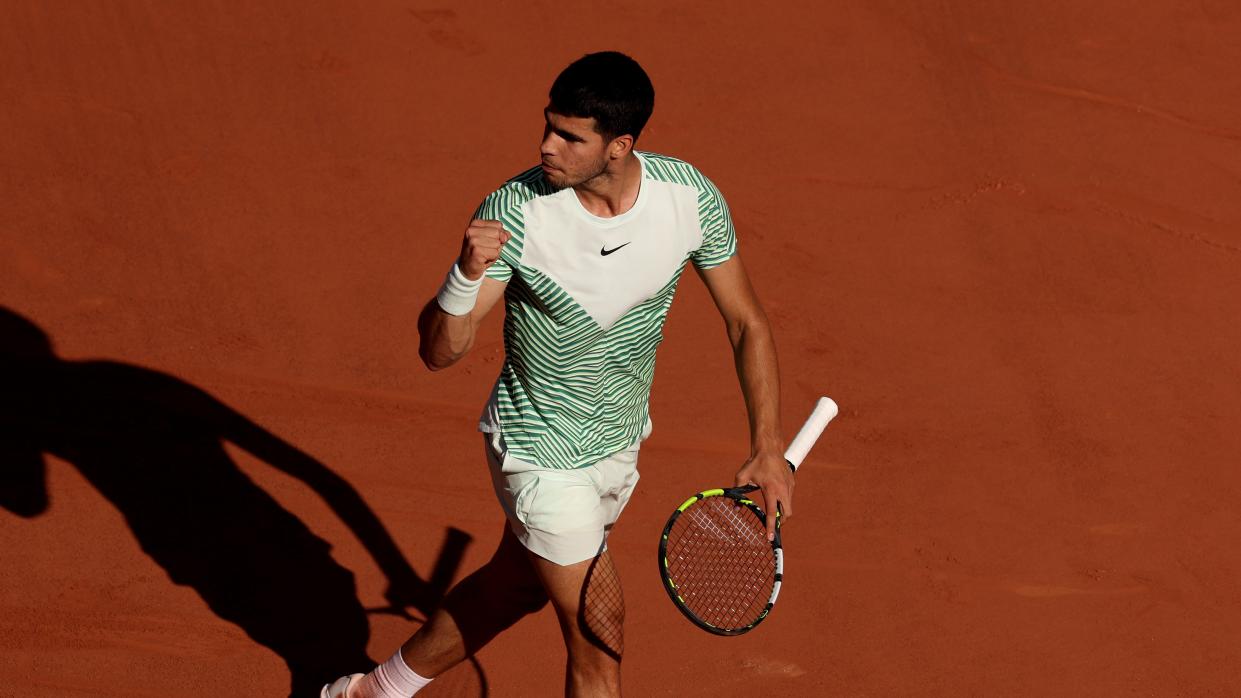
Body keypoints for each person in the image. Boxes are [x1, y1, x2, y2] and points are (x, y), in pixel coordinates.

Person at [323, 50, 792, 698]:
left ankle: (371, 693)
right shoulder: (517, 212)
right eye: (547, 126)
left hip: (616, 442)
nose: (546, 145)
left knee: (514, 587)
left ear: (618, 146)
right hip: (538, 450)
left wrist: (767, 447)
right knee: (599, 634)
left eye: (569, 136)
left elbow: (747, 323)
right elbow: (438, 352)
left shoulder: (689, 199)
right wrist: (463, 277)